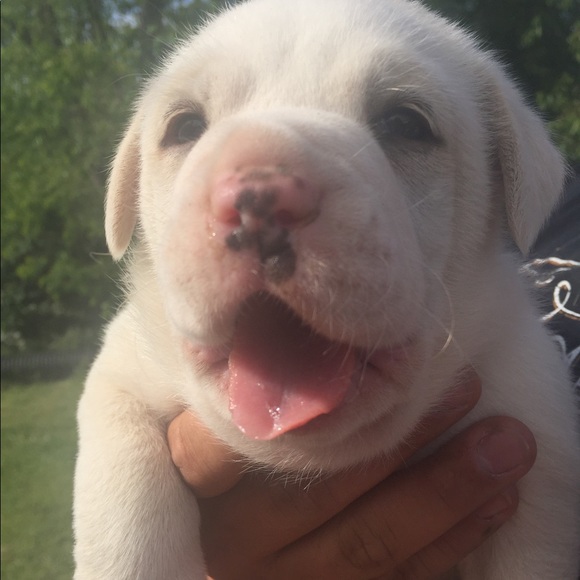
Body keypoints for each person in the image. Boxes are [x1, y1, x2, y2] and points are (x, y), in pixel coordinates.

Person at [166, 172, 578, 579]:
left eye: (407, 132)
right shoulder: (554, 208)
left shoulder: (507, 341)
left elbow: (543, 525)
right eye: (185, 134)